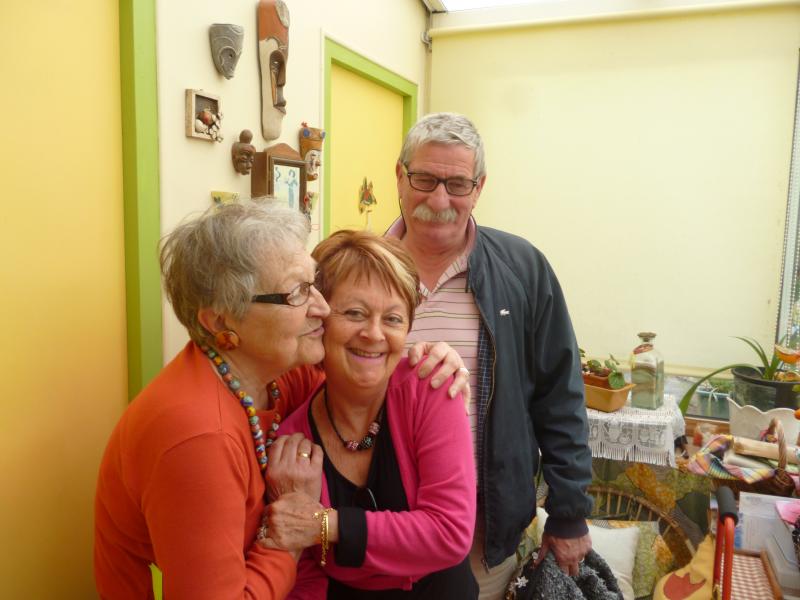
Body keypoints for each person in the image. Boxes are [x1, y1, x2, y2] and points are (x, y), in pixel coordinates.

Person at [93, 200, 470, 599]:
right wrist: (290, 534)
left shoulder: (278, 379)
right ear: (222, 321)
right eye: (298, 292)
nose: (322, 308)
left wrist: (440, 359)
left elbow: (360, 366)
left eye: (314, 284)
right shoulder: (200, 436)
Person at [388, 112, 593, 598]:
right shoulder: (358, 268)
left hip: (479, 532)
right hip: (377, 518)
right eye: (424, 179)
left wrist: (568, 513)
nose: (439, 200)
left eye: (458, 184)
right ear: (399, 176)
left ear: (479, 188)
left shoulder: (523, 269)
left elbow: (560, 395)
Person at [262, 230, 478, 599]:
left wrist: (327, 525)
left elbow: (450, 533)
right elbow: (303, 564)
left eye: (393, 319)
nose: (374, 334)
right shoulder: (294, 442)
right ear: (319, 320)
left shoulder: (430, 387)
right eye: (355, 313)